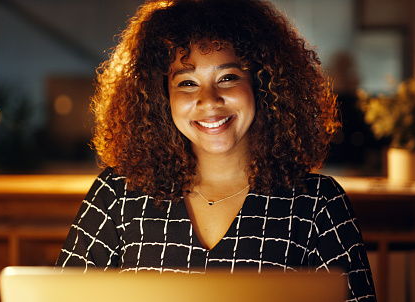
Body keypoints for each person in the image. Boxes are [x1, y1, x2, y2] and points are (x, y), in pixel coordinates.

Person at [57, 0, 376, 300]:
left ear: (262, 85)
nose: (209, 100)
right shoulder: (116, 195)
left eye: (228, 77)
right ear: (160, 97)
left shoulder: (319, 203)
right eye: (187, 82)